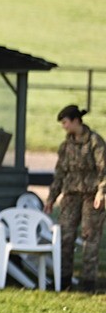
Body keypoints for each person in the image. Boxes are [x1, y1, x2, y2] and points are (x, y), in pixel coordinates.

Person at [44, 105, 106, 292]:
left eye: (65, 122)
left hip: (91, 195)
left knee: (90, 238)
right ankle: (63, 281)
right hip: (71, 196)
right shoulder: (66, 146)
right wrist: (51, 198)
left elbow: (104, 169)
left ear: (76, 121)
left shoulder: (95, 142)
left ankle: (88, 283)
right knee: (65, 237)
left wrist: (101, 192)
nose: (63, 126)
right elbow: (60, 172)